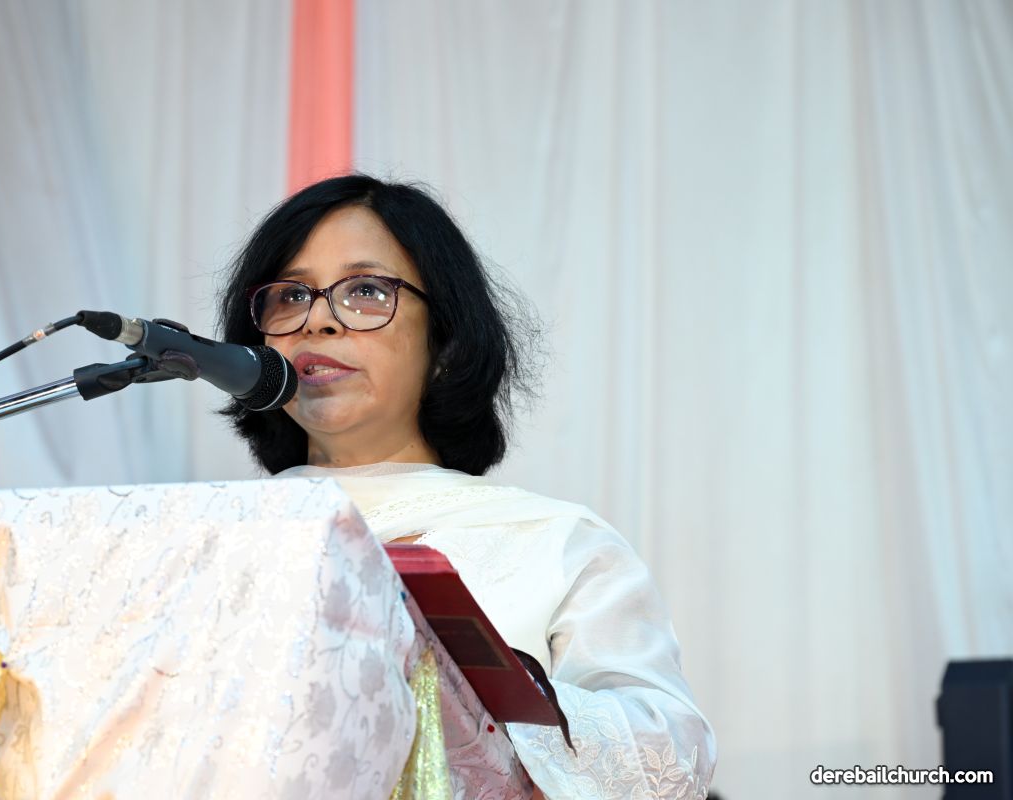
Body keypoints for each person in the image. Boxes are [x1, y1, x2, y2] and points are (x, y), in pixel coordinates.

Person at [219, 174, 717, 799]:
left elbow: (673, 758)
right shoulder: (212, 541)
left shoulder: (555, 543)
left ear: (446, 343)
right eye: (291, 295)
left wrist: (487, 694)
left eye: (366, 291)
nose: (316, 320)